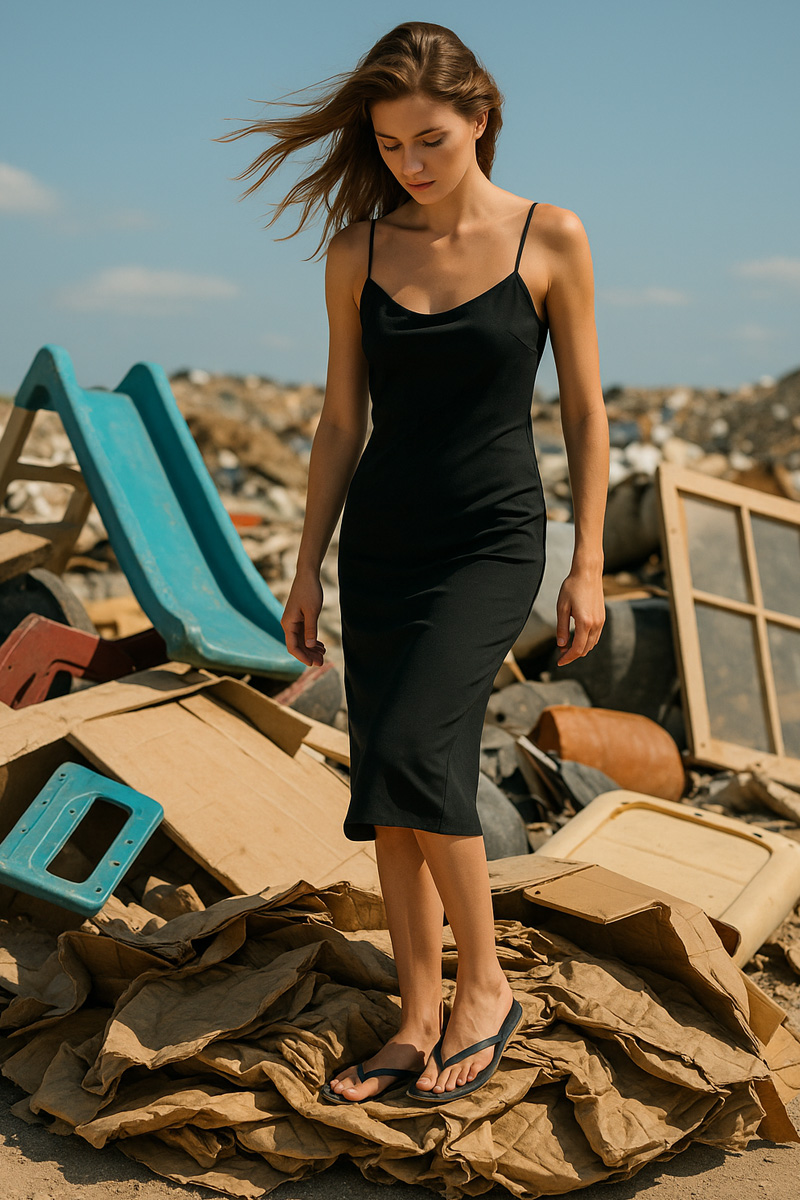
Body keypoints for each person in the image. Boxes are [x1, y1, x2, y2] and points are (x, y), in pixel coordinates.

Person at [220, 20, 609, 1105]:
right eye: (391, 146)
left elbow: (583, 410)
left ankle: (484, 992)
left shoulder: (551, 237)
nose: (411, 164)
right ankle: (415, 1015)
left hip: (493, 539)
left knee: (418, 748)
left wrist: (582, 568)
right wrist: (303, 566)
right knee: (389, 784)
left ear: (478, 117)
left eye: (429, 139)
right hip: (381, 544)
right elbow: (341, 420)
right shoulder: (358, 249)